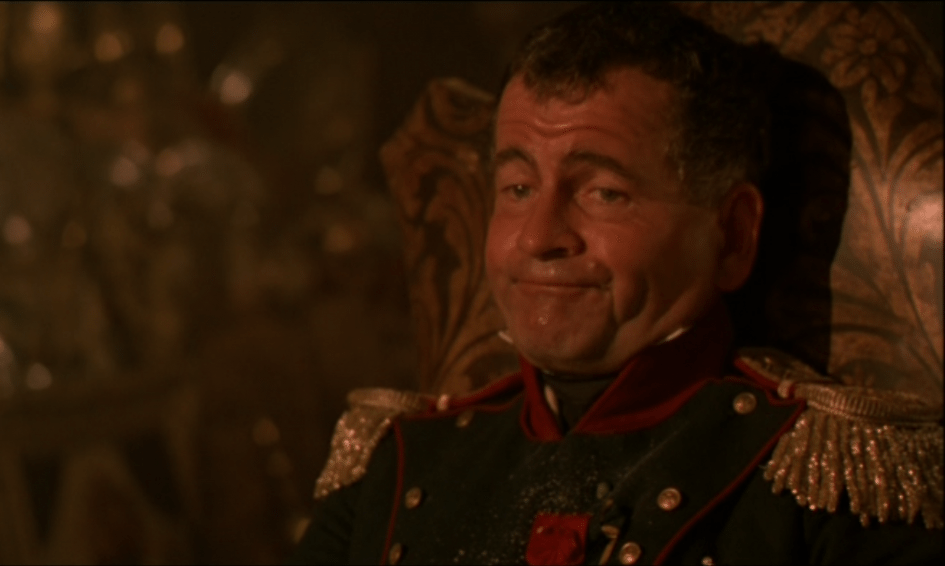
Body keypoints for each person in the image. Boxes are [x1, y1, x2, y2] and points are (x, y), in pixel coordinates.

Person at [291, 3, 943, 564]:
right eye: (517, 188)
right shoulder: (394, 470)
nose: (538, 237)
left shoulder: (835, 491)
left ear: (732, 235)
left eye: (604, 192)